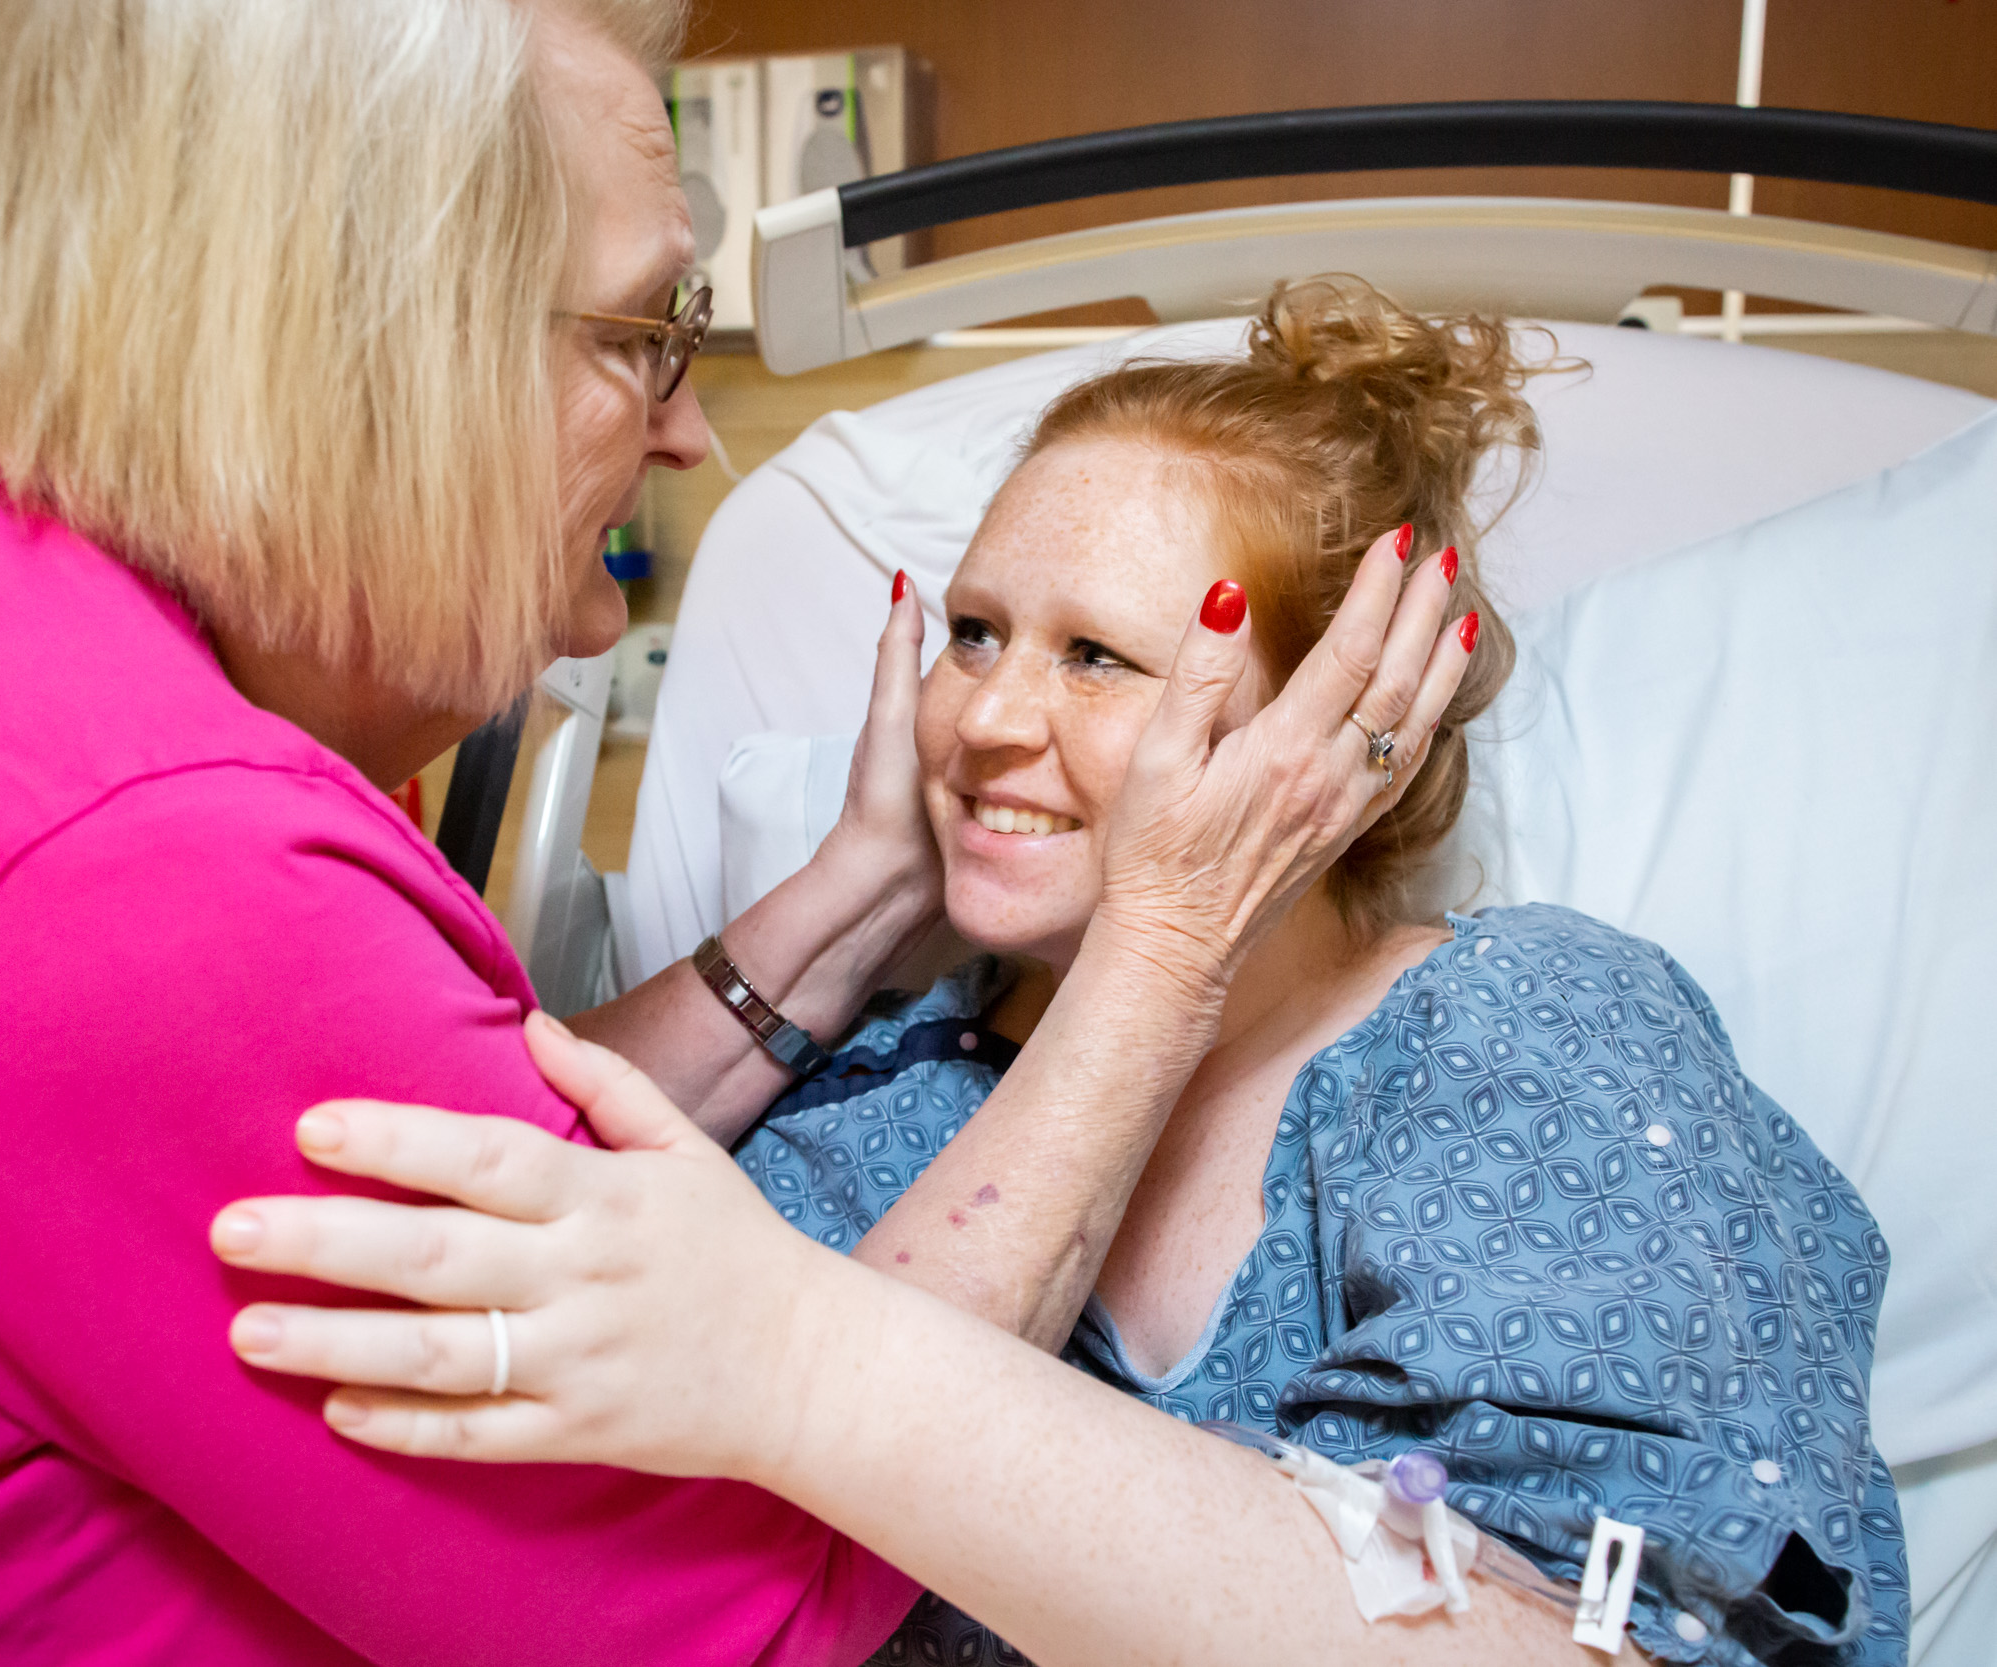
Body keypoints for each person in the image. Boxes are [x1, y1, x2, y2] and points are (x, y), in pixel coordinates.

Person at [0, 5, 1469, 1664]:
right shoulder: (131, 873)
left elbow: (444, 1191)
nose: (687, 430)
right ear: (357, 348)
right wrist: (1160, 947)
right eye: (640, 333)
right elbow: (751, 1615)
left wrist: (860, 892)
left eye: (1103, 659)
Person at [211, 285, 1906, 1667]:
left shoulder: (1519, 1038)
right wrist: (866, 890)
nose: (989, 718)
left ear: (1340, 724)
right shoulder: (881, 1110)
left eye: (1097, 656)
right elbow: (632, 1579)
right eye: (975, 633)